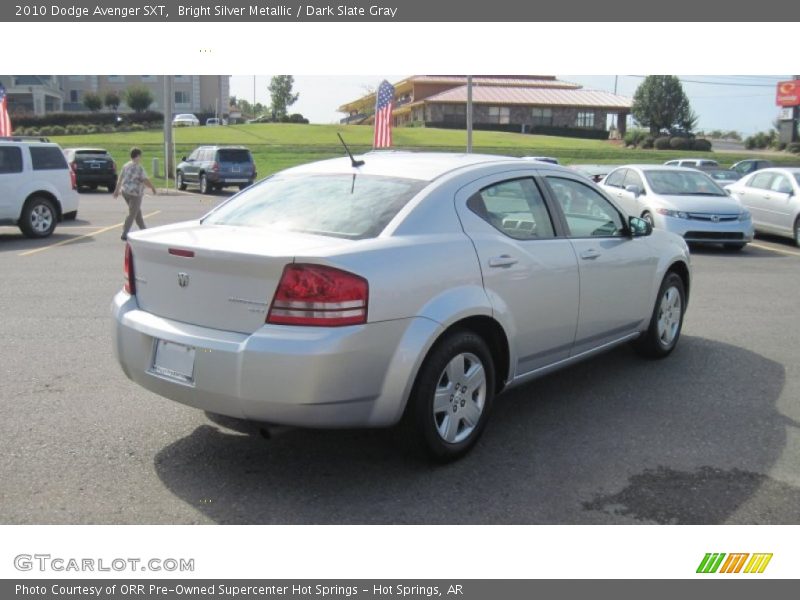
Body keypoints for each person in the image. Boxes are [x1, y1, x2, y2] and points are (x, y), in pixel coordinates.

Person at [114, 147, 157, 241]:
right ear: (137, 156)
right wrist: (153, 188)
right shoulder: (139, 168)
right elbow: (145, 180)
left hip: (125, 192)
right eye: (140, 156)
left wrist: (116, 190)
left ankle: (144, 230)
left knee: (137, 212)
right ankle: (124, 233)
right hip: (135, 194)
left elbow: (120, 178)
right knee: (132, 213)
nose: (141, 157)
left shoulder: (126, 165)